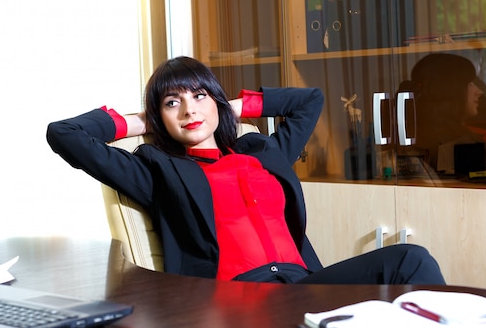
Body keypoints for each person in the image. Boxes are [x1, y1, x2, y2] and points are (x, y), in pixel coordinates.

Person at [47, 56, 445, 284]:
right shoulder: (156, 170)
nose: (189, 110)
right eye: (172, 103)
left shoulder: (262, 151)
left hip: (304, 285)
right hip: (238, 295)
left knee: (413, 259)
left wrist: (228, 107)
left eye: (199, 96)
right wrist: (142, 121)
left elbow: (310, 99)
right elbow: (65, 134)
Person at [411, 53, 486, 182]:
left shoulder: (425, 136)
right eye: (469, 84)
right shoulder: (460, 145)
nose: (480, 92)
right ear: (451, 90)